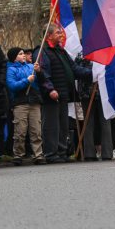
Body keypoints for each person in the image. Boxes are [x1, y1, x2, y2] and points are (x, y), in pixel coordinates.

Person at [37, 24, 92, 163]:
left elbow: (74, 69)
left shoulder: (61, 51)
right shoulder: (42, 51)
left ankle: (61, 152)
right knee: (51, 125)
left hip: (63, 94)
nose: (61, 35)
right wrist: (50, 89)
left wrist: (93, 73)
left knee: (63, 124)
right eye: (57, 33)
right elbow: (42, 73)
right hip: (51, 95)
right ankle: (51, 154)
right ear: (48, 35)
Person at [7, 47, 44, 165]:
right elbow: (12, 86)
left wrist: (39, 72)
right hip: (20, 103)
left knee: (36, 130)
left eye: (23, 53)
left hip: (34, 102)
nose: (23, 55)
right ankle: (18, 155)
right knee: (20, 131)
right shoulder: (11, 70)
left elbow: (41, 81)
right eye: (20, 54)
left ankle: (38, 154)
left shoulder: (31, 66)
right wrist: (26, 81)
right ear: (14, 58)